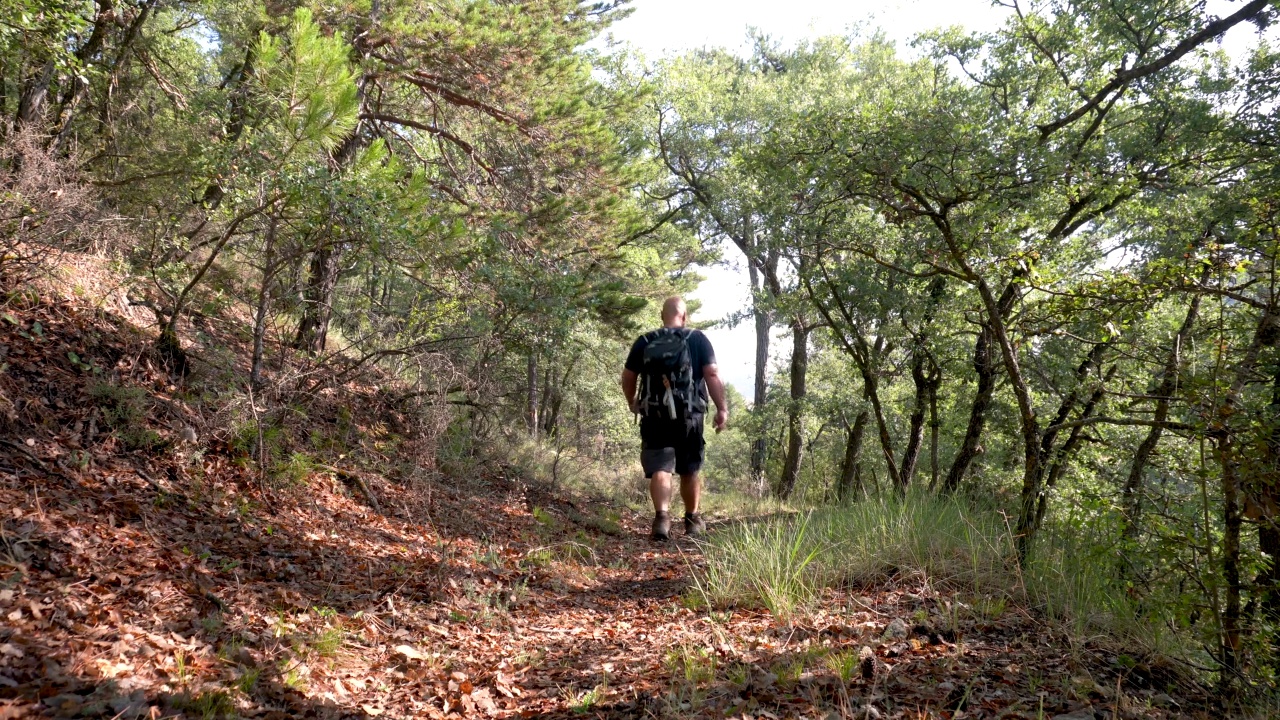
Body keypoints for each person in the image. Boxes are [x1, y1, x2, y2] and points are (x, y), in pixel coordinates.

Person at [621, 296, 728, 541]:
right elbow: (711, 374)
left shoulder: (645, 340)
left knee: (661, 466)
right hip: (689, 415)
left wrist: (632, 402)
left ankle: (661, 519)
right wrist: (722, 408)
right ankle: (692, 519)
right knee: (689, 468)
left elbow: (628, 376)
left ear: (662, 316)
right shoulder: (698, 339)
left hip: (654, 414)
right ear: (685, 316)